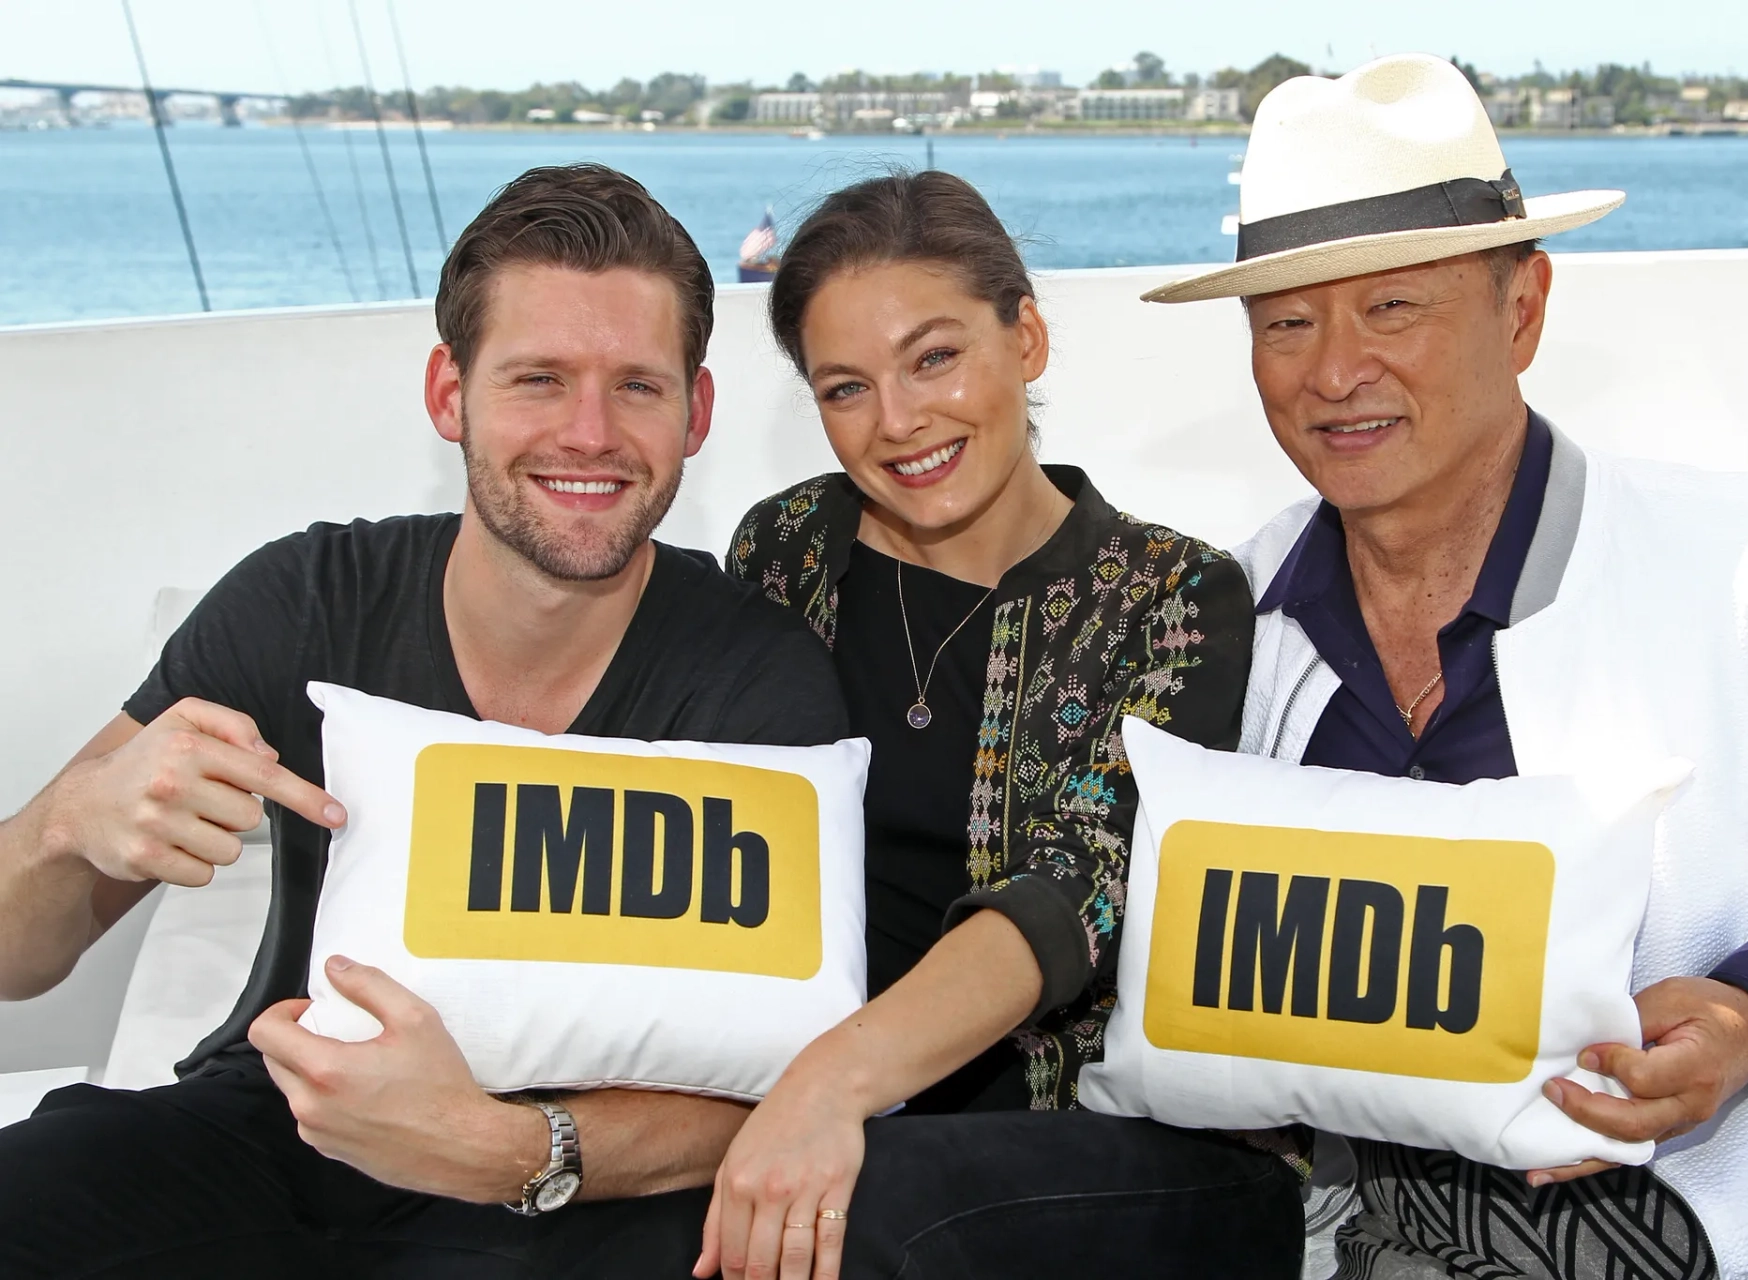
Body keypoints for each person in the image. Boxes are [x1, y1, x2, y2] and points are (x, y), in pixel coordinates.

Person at [1144, 53, 1748, 1280]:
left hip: (1714, 1226)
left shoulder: (1746, 570)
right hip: (1342, 1229)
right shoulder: (1227, 616)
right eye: (1287, 321)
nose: (1334, 370)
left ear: (1524, 308)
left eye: (1392, 306)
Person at [0, 164, 850, 1278]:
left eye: (636, 386)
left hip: (579, 1194)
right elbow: (20, 959)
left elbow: (801, 1088)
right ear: (450, 392)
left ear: (695, 413)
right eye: (539, 378)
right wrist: (71, 820)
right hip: (279, 1130)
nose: (589, 433)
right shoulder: (305, 599)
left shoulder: (758, 678)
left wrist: (514, 1149)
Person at [709, 170, 1303, 1280]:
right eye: (846, 387)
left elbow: (1080, 880)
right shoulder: (782, 551)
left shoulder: (1170, 594)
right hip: (832, 1107)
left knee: (854, 1207)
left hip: (1114, 1137)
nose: (899, 421)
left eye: (935, 357)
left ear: (1025, 335)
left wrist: (831, 1082)